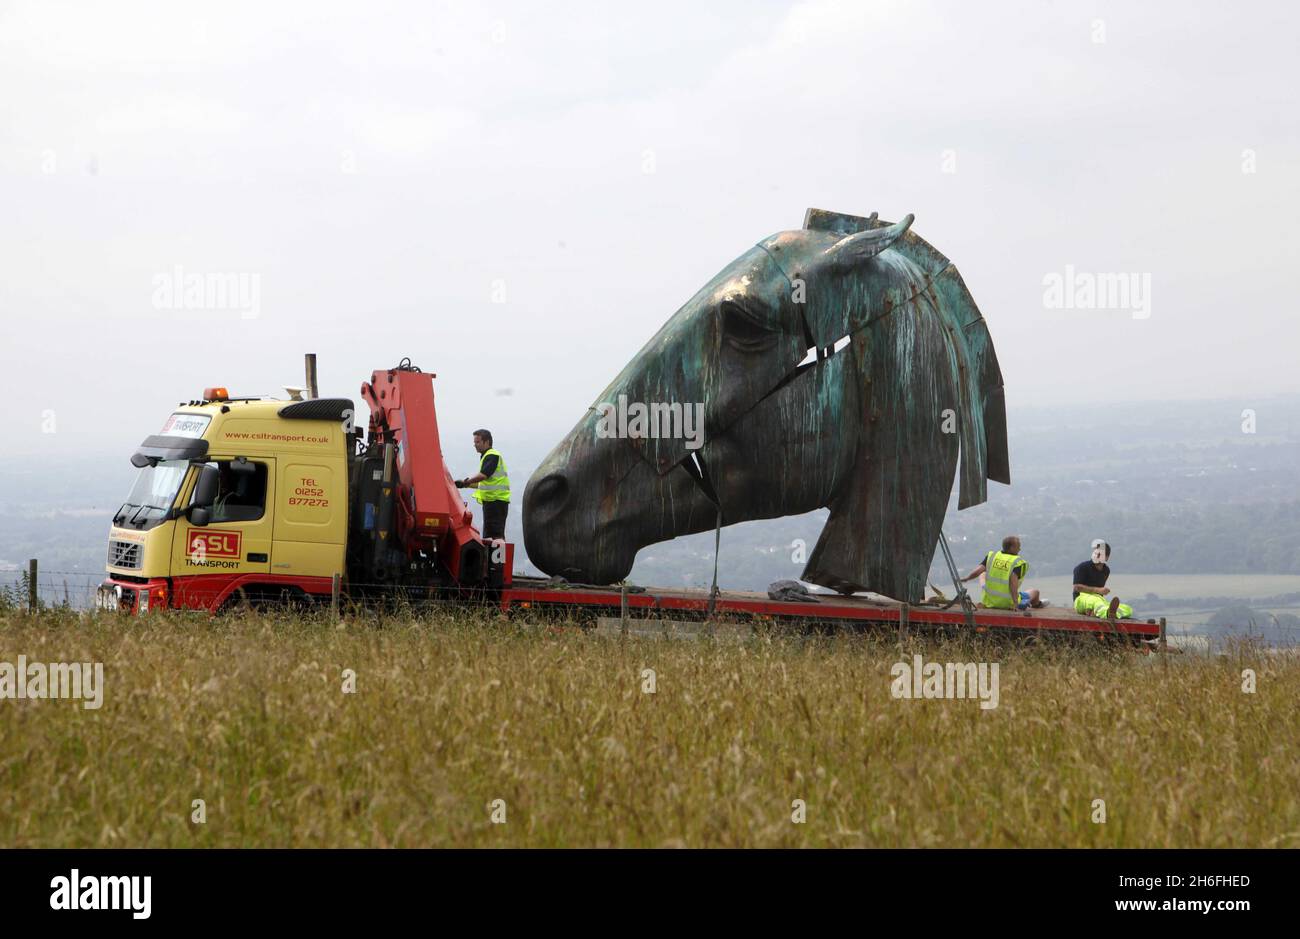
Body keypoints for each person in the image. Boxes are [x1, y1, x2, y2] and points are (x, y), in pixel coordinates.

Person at [960, 535, 1043, 610]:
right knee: (1035, 592)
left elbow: (978, 571)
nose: (1020, 549)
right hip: (1008, 603)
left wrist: (967, 578)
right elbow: (1012, 583)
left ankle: (1034, 603)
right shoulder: (1017, 562)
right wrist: (1015, 604)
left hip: (989, 602)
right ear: (1012, 548)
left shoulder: (992, 556)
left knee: (983, 573)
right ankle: (1037, 604)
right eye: (1018, 547)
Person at [454, 429, 510, 539]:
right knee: (491, 535)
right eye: (474, 442)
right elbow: (483, 483)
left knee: (495, 536)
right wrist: (465, 485)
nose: (475, 445)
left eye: (478, 442)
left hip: (496, 501)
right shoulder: (486, 456)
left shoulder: (492, 455)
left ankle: (495, 555)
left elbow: (483, 475)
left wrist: (467, 481)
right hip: (493, 502)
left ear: (487, 442)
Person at [1072, 539, 1131, 619]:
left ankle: (1109, 613)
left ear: (1106, 557)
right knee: (1096, 602)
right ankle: (1106, 613)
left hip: (1098, 599)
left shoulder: (1106, 571)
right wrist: (1098, 590)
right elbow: (1076, 588)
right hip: (1081, 600)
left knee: (1127, 609)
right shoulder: (1082, 567)